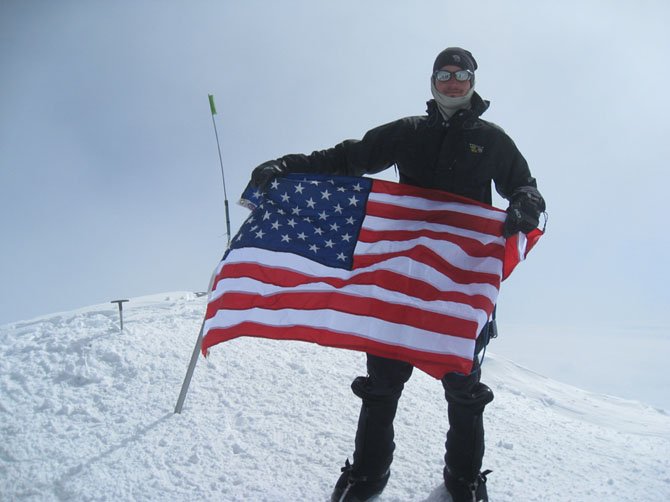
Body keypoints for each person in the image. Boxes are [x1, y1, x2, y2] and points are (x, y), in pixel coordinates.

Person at [249, 47, 545, 502]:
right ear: (433, 81)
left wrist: (525, 201)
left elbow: (524, 184)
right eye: (444, 74)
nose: (452, 82)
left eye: (461, 74)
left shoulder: (492, 140)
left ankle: (462, 478)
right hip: (401, 280)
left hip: (458, 285)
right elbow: (349, 157)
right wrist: (287, 167)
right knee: (382, 384)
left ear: (472, 81)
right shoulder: (409, 132)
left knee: (462, 387)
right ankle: (370, 474)